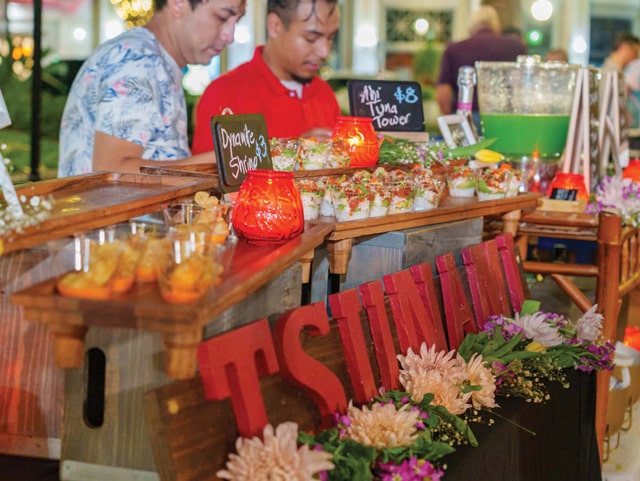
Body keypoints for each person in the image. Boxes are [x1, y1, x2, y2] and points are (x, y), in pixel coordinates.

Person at [58, 0, 246, 177]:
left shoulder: (155, 59)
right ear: (178, 3)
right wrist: (216, 163)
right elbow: (111, 172)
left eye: (236, 21)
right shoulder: (137, 59)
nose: (229, 36)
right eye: (222, 17)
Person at [191, 0, 341, 155]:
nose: (324, 52)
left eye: (331, 38)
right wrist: (289, 153)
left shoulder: (324, 93)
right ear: (275, 26)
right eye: (311, 38)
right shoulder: (224, 94)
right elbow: (205, 175)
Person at [435, 5, 527, 126]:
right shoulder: (516, 47)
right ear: (497, 27)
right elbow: (524, 86)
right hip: (505, 119)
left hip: (466, 118)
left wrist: (451, 122)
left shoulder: (454, 49)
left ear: (470, 29)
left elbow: (443, 92)